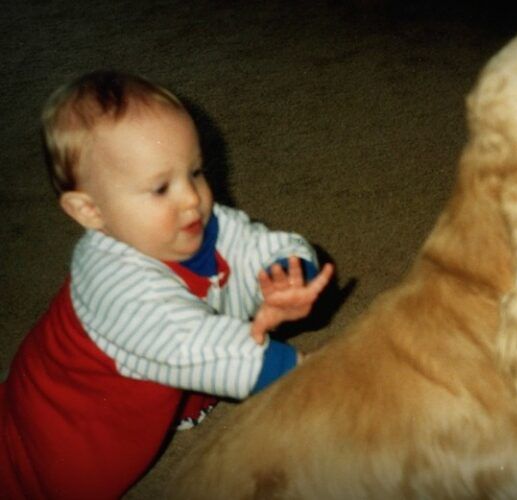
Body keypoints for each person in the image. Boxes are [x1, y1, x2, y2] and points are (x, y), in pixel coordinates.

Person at [0, 70, 334, 499]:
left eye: (194, 172)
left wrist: (289, 273)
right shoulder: (116, 286)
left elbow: (252, 243)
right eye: (160, 187)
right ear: (89, 211)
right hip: (60, 427)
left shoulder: (191, 224)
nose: (192, 198)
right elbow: (198, 345)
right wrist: (309, 376)